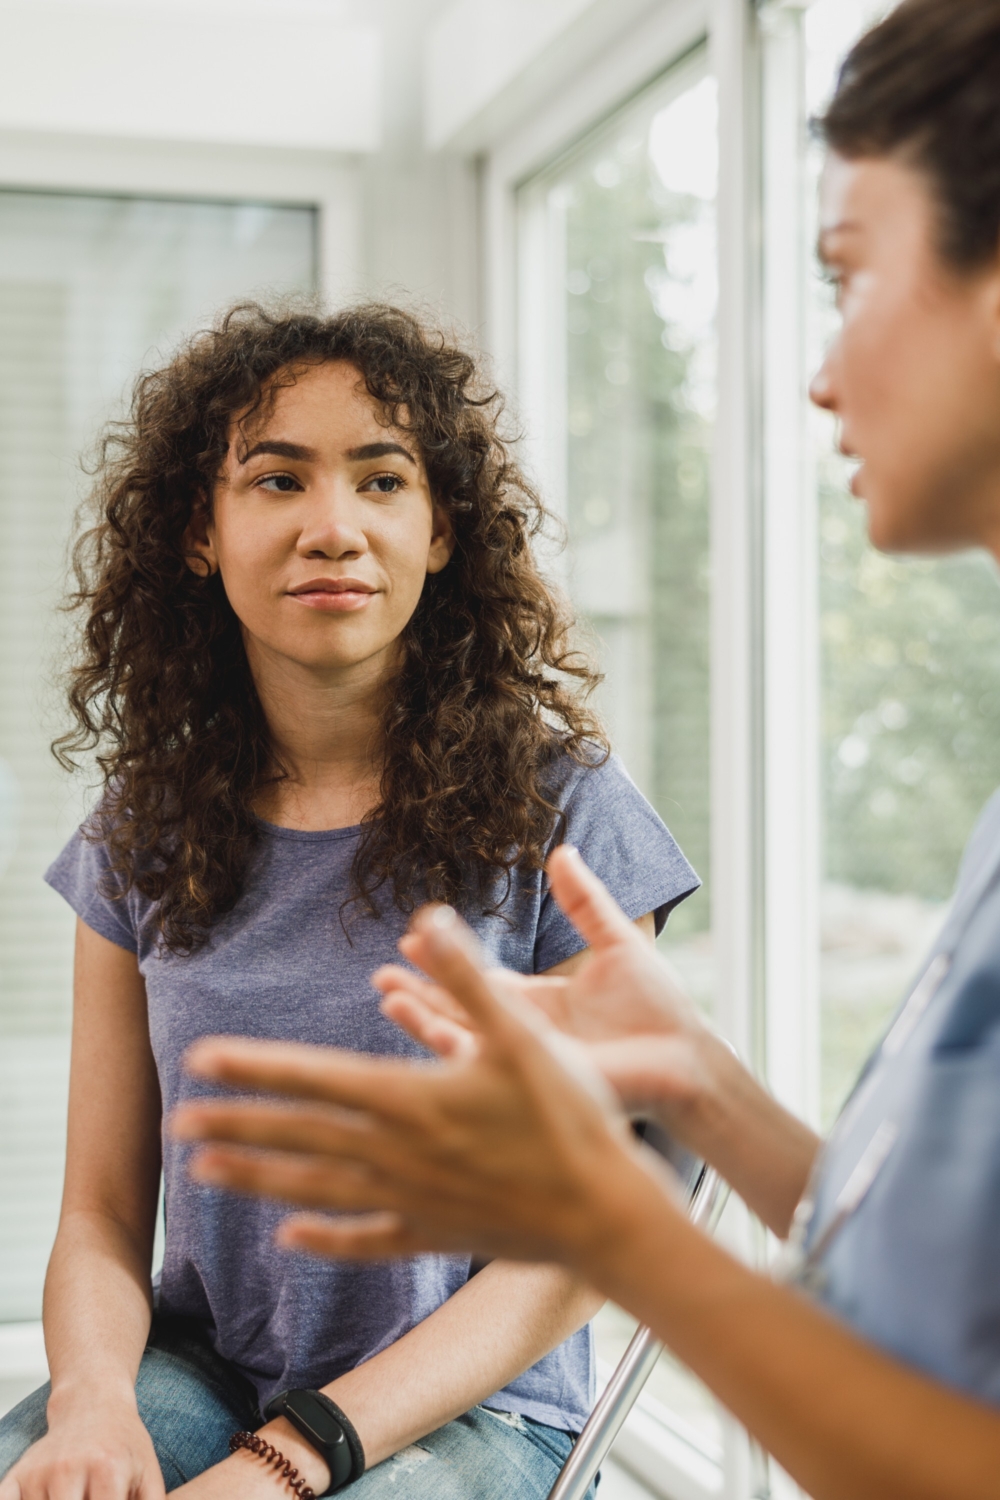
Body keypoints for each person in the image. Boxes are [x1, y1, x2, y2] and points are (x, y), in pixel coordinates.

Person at [166, 3, 1000, 1497]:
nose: (817, 374)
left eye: (848, 274)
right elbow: (944, 1302)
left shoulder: (564, 803)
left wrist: (614, 1228)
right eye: (275, 480)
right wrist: (697, 1081)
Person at [0, 303, 701, 1500]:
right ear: (198, 534)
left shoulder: (564, 810)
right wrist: (94, 1406)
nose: (334, 527)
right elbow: (105, 1218)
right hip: (210, 1370)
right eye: (277, 481)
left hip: (480, 1406)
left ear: (439, 534)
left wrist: (289, 1461)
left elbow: (591, 1233)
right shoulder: (140, 830)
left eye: (382, 481)